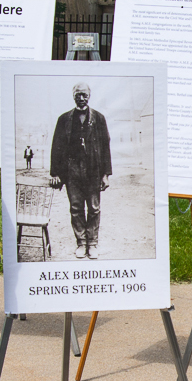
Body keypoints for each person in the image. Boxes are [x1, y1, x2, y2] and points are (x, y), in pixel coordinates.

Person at [49, 81, 112, 259]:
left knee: (94, 208)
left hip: (93, 170)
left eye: (84, 95)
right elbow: (57, 147)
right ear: (73, 96)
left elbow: (105, 147)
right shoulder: (64, 119)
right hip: (72, 171)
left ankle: (92, 244)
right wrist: (55, 173)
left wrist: (105, 174)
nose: (81, 98)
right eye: (78, 95)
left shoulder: (99, 119)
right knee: (76, 208)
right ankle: (81, 243)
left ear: (89, 96)